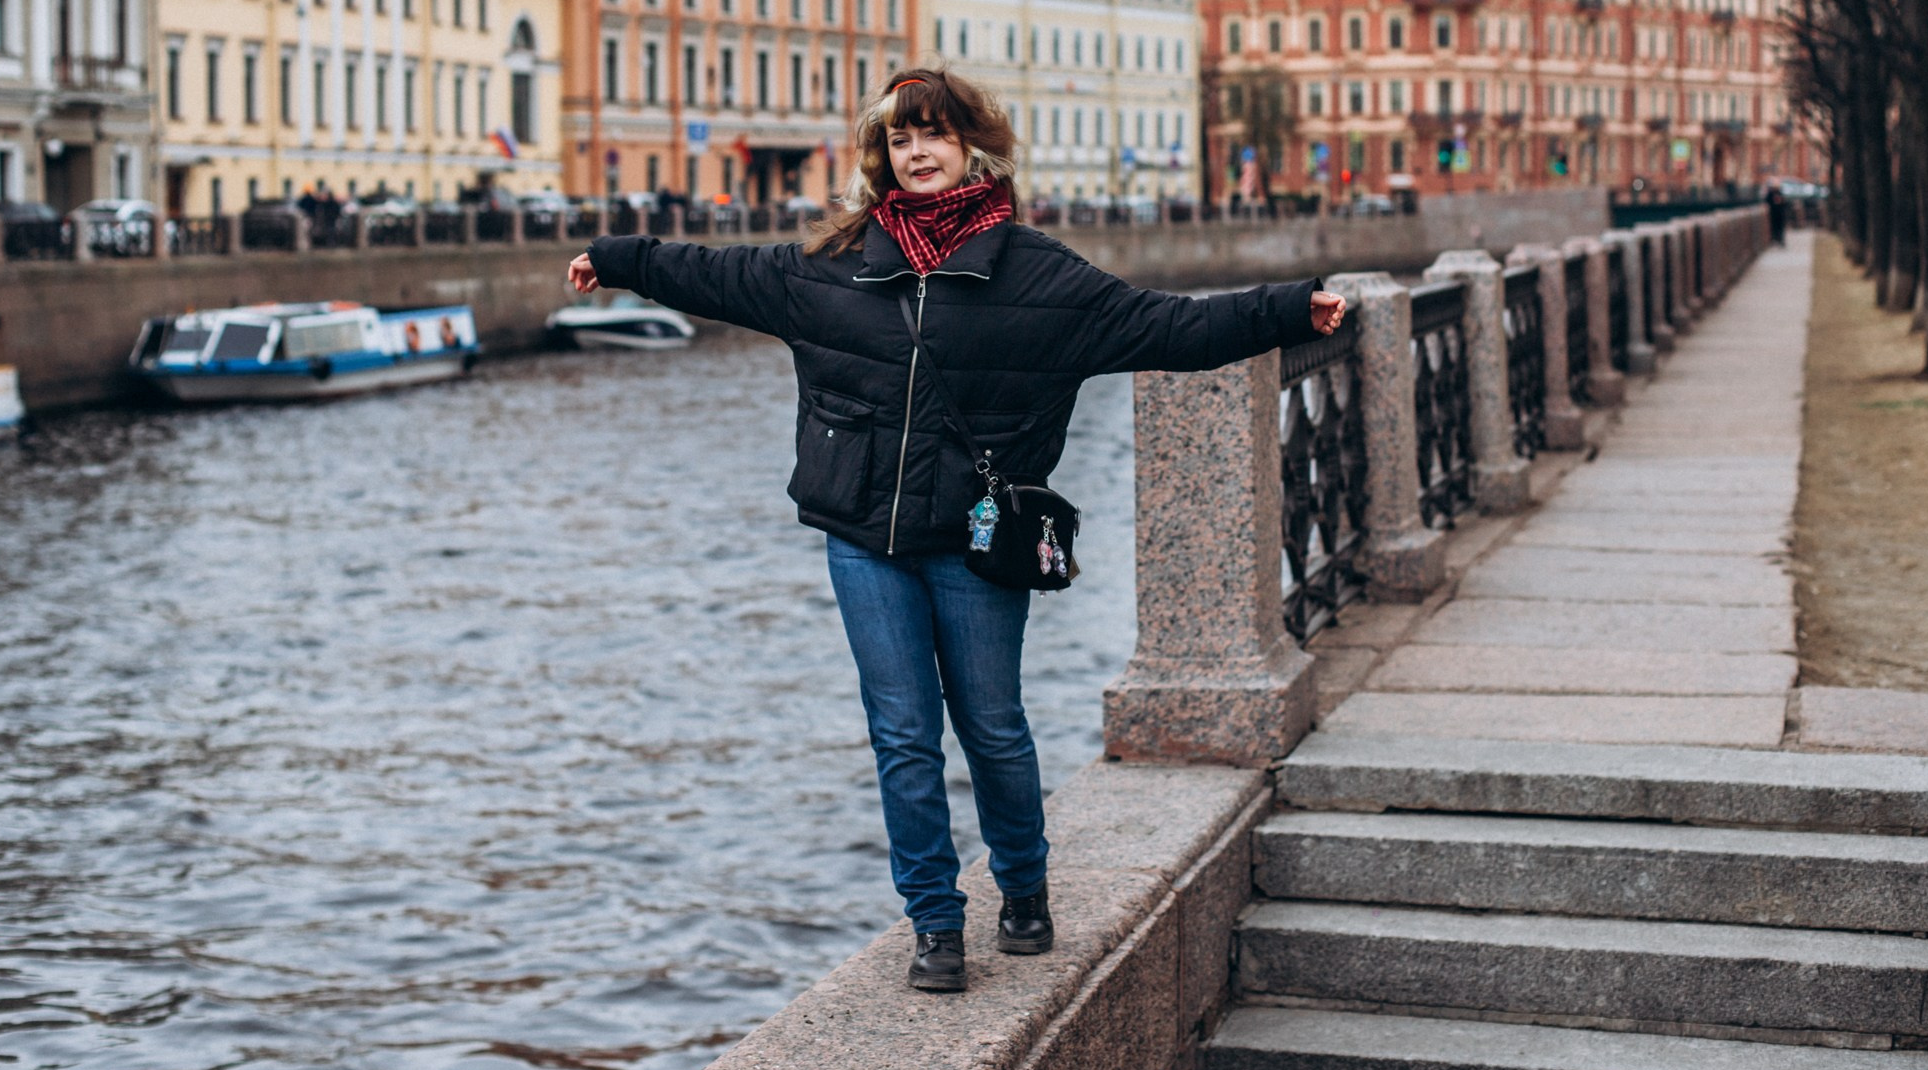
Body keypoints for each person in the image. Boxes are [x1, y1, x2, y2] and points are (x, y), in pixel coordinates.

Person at [566, 69, 1344, 994]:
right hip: (864, 540)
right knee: (902, 734)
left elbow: (1171, 326)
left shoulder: (1041, 276)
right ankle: (935, 922)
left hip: (977, 544)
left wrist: (1289, 309)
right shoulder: (832, 265)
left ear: (973, 146)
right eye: (900, 140)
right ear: (881, 155)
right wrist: (618, 258)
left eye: (933, 134)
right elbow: (711, 273)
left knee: (993, 727)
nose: (917, 153)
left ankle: (1023, 888)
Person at [1765, 179, 1788, 247]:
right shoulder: (1770, 193)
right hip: (1773, 214)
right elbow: (1767, 202)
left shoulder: (1780, 193)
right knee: (1774, 227)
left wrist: (1781, 202)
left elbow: (1784, 203)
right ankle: (1775, 239)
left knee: (1780, 227)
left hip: (1780, 214)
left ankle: (1780, 240)